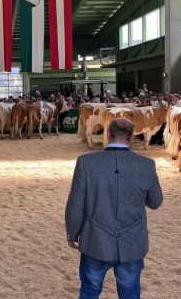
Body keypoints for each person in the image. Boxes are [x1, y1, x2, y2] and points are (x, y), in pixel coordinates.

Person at [65, 117, 163, 298]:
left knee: (89, 292)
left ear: (108, 134)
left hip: (96, 240)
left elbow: (75, 203)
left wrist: (73, 233)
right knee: (130, 292)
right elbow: (155, 202)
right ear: (132, 138)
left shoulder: (86, 162)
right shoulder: (146, 165)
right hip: (132, 242)